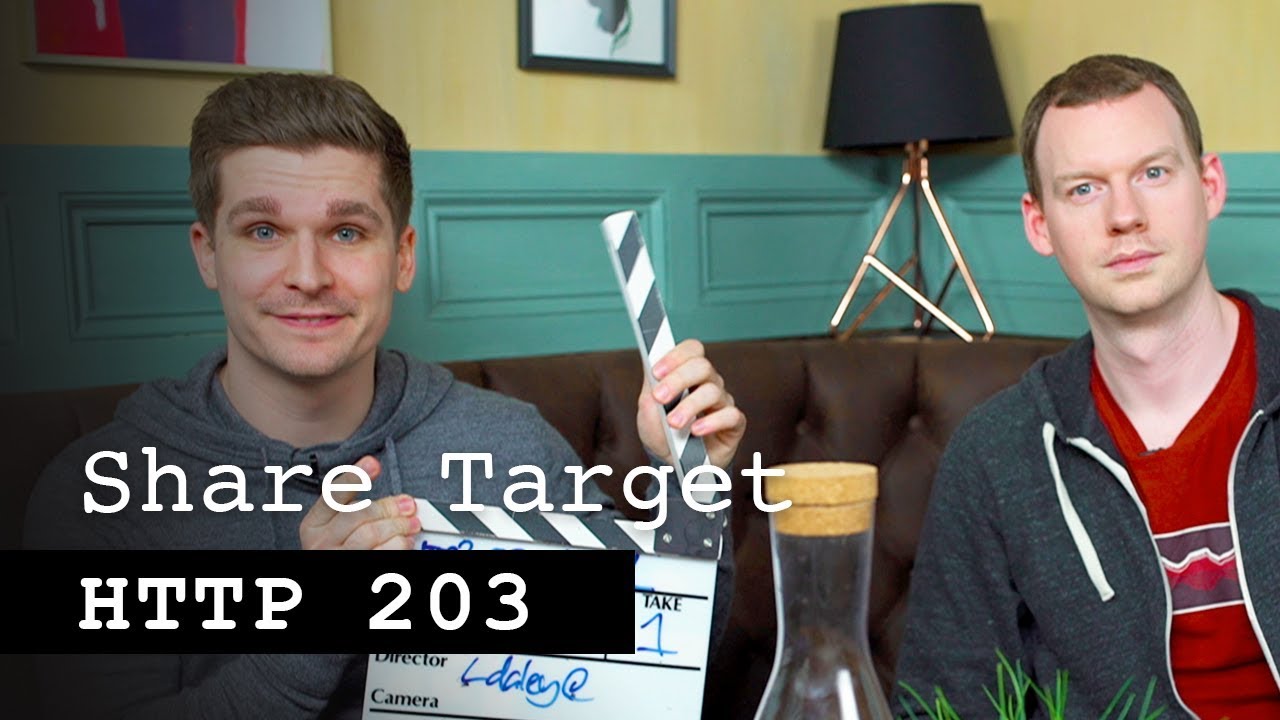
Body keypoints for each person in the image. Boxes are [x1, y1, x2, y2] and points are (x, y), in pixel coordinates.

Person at [23, 73, 745, 718]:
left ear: (401, 257)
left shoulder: (508, 445)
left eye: (346, 231)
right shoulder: (98, 498)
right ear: (209, 253)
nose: (308, 275)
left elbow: (661, 668)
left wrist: (691, 483)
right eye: (264, 230)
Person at [894, 54, 1280, 719]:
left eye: (1153, 173)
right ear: (1039, 224)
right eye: (1083, 189)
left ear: (1209, 185)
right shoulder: (995, 457)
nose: (1125, 215)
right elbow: (942, 705)